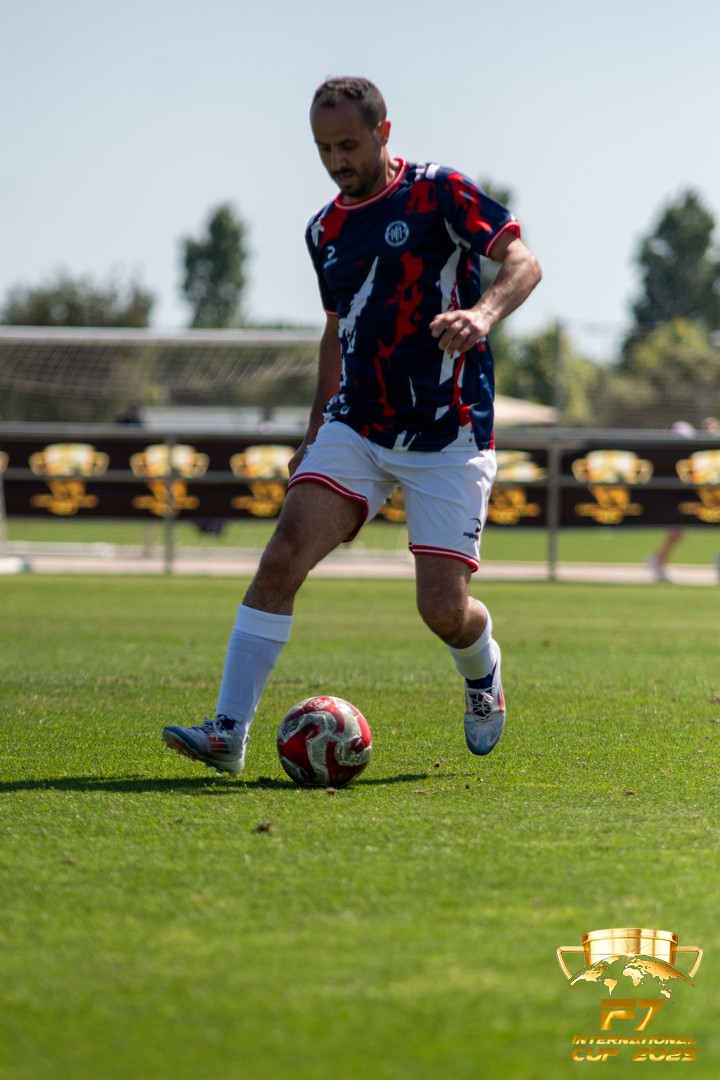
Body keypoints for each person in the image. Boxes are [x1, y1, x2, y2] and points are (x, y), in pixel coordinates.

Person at [162, 76, 542, 775]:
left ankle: (482, 669)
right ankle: (228, 731)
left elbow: (524, 262)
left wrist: (480, 315)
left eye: (348, 144)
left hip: (449, 433)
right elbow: (336, 331)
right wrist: (313, 432)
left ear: (382, 133)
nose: (336, 160)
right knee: (281, 557)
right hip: (358, 426)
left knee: (443, 611)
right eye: (322, 148)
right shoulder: (323, 231)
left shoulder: (439, 192)